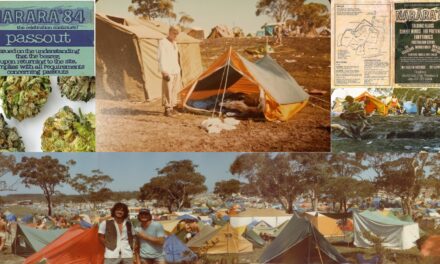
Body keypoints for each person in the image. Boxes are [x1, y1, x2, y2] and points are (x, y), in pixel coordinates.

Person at [158, 26, 181, 117]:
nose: (175, 35)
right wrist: (164, 71)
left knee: (174, 90)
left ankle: (172, 107)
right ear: (170, 32)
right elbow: (161, 57)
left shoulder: (175, 43)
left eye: (177, 33)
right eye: (174, 33)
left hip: (175, 69)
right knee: (167, 90)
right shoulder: (163, 42)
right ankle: (167, 109)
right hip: (168, 70)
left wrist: (178, 69)